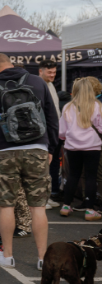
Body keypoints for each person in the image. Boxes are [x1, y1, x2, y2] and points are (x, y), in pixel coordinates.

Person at [0, 53, 59, 270]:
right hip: (37, 148)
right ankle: (43, 259)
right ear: (10, 64)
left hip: (6, 152)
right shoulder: (37, 81)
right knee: (38, 207)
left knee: (6, 206)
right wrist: (51, 148)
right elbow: (52, 117)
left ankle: (8, 256)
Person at [58, 78, 102, 220]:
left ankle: (66, 206)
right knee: (91, 177)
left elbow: (61, 132)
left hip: (72, 147)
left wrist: (67, 139)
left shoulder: (68, 107)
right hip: (93, 146)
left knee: (73, 175)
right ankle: (90, 210)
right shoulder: (97, 106)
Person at [39, 60, 62, 208]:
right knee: (43, 166)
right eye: (50, 72)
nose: (53, 75)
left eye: (54, 72)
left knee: (52, 165)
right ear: (41, 71)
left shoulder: (51, 85)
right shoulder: (39, 86)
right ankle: (42, 199)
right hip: (45, 132)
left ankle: (47, 196)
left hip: (54, 131)